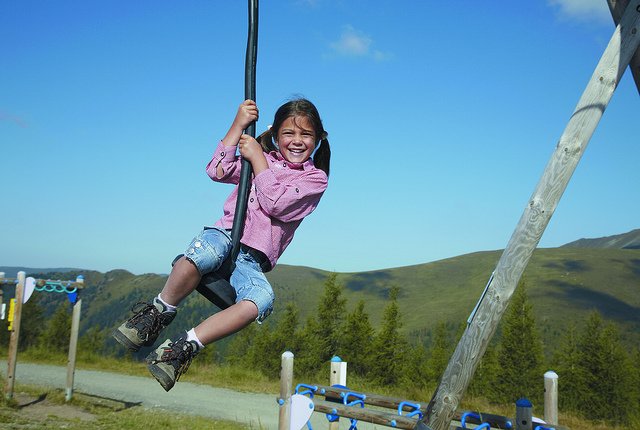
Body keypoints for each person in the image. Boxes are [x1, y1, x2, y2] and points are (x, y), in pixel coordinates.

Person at [113, 98, 330, 391]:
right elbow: (217, 169)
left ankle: (182, 348)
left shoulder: (314, 180)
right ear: (276, 136)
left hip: (251, 259)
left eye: (306, 135)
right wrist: (238, 125)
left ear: (317, 139)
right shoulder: (261, 157)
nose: (297, 141)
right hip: (225, 235)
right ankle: (158, 310)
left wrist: (258, 159)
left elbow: (276, 203)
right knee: (206, 253)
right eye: (289, 133)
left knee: (261, 299)